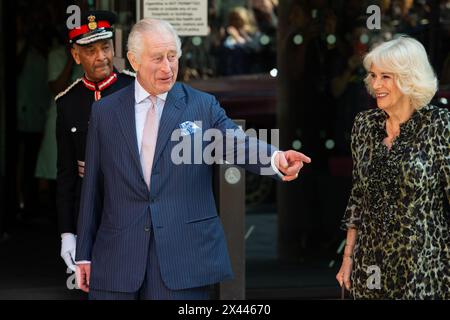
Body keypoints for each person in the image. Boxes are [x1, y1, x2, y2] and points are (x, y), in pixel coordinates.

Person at [75, 18, 311, 300]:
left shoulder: (201, 105)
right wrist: (83, 255)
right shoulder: (105, 112)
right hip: (117, 260)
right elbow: (92, 190)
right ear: (134, 61)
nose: (167, 67)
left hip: (183, 260)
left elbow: (236, 143)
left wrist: (275, 158)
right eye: (158, 58)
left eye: (172, 57)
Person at [336, 36, 450, 299]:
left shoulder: (439, 125)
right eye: (373, 75)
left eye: (386, 76)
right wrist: (348, 257)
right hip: (370, 265)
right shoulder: (365, 124)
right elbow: (358, 196)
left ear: (409, 79)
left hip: (424, 269)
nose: (376, 85)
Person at [56, 10, 135, 273]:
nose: (101, 57)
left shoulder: (135, 90)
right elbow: (66, 174)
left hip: (131, 209)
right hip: (89, 214)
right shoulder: (67, 103)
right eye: (91, 50)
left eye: (106, 47)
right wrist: (67, 232)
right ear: (76, 55)